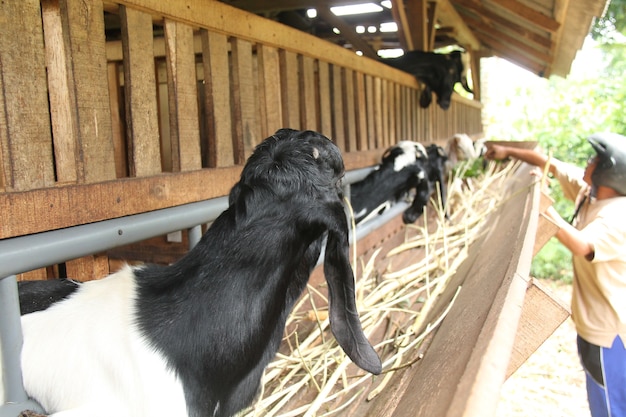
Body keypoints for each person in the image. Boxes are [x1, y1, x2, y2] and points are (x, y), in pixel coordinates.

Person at [485, 132, 626, 417]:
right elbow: (548, 162)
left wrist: (543, 209)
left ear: (609, 172)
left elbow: (582, 245)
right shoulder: (591, 193)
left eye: (595, 159)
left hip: (610, 334)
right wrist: (505, 151)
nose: (588, 162)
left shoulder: (617, 216)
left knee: (610, 408)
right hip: (594, 324)